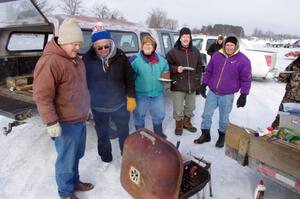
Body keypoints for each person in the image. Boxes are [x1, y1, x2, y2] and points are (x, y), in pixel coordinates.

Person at [33, 19, 93, 199]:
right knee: (66, 161)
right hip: (64, 122)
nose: (77, 47)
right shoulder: (51, 62)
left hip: (79, 119)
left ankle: (75, 181)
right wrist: (51, 122)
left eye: (78, 44)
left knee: (76, 156)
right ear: (63, 41)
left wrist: (86, 109)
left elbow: (81, 88)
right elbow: (42, 95)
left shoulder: (77, 61)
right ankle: (66, 192)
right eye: (74, 44)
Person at [83, 24, 136, 170]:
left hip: (119, 103)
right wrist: (84, 105)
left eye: (106, 46)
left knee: (123, 130)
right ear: (94, 46)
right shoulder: (87, 59)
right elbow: (83, 84)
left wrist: (131, 96)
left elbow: (129, 77)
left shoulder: (120, 56)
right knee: (102, 133)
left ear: (110, 43)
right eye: (99, 48)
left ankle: (127, 155)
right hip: (98, 105)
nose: (103, 50)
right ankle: (106, 157)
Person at [194, 36, 252, 148]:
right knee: (206, 114)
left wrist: (243, 94)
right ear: (224, 45)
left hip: (227, 94)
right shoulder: (217, 56)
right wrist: (204, 84)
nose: (229, 47)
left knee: (224, 117)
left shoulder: (243, 60)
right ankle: (205, 134)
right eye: (227, 45)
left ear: (236, 46)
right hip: (213, 92)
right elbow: (209, 71)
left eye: (232, 45)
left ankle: (222, 136)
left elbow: (246, 79)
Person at [166, 27, 204, 136]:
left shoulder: (195, 51)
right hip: (178, 84)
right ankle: (179, 124)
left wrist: (197, 79)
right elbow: (166, 65)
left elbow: (199, 66)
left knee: (191, 107)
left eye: (188, 36)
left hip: (191, 84)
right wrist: (176, 69)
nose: (186, 39)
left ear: (190, 38)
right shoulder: (173, 52)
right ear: (180, 38)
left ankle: (186, 122)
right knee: (178, 108)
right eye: (184, 36)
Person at [130, 36, 169, 138]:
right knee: (139, 116)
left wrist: (166, 75)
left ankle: (158, 134)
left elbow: (166, 71)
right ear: (142, 46)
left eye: (150, 44)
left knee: (159, 115)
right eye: (145, 44)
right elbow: (129, 77)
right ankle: (140, 136)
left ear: (154, 47)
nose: (147, 46)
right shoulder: (135, 59)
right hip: (140, 94)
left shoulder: (161, 59)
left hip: (157, 93)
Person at [271, 56, 300, 129]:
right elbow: (283, 78)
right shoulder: (294, 65)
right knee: (281, 119)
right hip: (289, 99)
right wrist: (281, 75)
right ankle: (273, 133)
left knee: (296, 124)